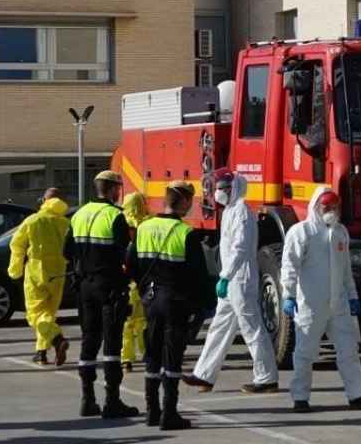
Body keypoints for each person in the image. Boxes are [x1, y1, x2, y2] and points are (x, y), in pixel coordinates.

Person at [280, 187, 361, 413]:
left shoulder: (340, 232)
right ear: (316, 207)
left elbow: (345, 270)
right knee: (305, 353)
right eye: (326, 207)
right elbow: (289, 266)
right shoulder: (301, 232)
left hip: (339, 305)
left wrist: (353, 296)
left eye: (334, 207)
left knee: (349, 350)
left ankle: (357, 394)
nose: (331, 211)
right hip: (310, 305)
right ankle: (300, 397)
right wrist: (288, 294)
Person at [130, 181, 214, 428]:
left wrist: (144, 290)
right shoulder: (185, 233)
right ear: (185, 202)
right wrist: (204, 305)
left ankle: (151, 411)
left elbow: (131, 264)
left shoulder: (144, 228)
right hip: (176, 302)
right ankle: (169, 413)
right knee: (173, 357)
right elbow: (198, 276)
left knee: (153, 355)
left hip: (151, 300)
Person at [189, 170, 279, 393]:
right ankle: (204, 375)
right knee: (219, 327)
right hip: (231, 280)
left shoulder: (243, 214)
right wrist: (225, 278)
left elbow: (239, 250)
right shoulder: (230, 212)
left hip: (240, 279)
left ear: (234, 188)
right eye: (218, 187)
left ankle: (266, 378)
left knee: (252, 329)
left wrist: (226, 277)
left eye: (222, 188)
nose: (218, 192)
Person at [66, 170, 137, 419]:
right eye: (118, 188)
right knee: (112, 344)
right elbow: (125, 255)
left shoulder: (79, 214)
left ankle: (87, 400)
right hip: (109, 287)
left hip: (85, 286)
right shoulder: (115, 216)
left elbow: (67, 251)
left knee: (89, 341)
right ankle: (112, 401)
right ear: (113, 189)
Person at [8, 188, 71, 366]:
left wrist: (15, 270)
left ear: (44, 200)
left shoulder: (33, 220)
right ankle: (41, 352)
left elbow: (17, 245)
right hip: (59, 271)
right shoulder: (65, 223)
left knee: (35, 314)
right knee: (48, 313)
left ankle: (57, 339)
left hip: (36, 269)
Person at [118, 190, 150, 373]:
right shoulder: (148, 224)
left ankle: (126, 359)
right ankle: (145, 352)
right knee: (143, 321)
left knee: (126, 323)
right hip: (143, 279)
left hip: (126, 278)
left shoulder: (121, 223)